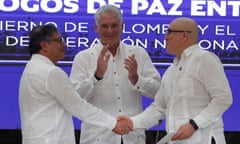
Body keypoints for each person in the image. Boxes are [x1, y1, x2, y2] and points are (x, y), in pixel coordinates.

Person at [18, 24, 131, 144]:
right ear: (44, 45)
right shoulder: (50, 72)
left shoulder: (32, 68)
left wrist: (96, 77)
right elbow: (78, 105)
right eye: (59, 40)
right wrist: (113, 123)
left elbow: (71, 97)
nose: (64, 45)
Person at [130, 17, 233, 144]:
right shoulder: (170, 71)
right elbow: (159, 108)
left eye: (169, 32)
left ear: (184, 35)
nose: (165, 37)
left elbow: (223, 99)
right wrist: (132, 123)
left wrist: (194, 124)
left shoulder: (204, 59)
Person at [70, 4, 161, 144]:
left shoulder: (138, 54)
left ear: (122, 26)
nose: (110, 30)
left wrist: (137, 79)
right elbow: (75, 99)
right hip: (97, 138)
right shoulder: (83, 58)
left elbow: (158, 92)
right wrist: (96, 77)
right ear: (96, 28)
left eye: (114, 25)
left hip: (133, 137)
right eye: (104, 26)